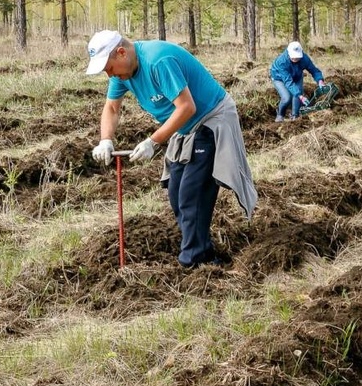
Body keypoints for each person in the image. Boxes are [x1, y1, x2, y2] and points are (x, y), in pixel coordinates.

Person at [85, 30, 257, 269]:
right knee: (176, 192)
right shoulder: (120, 74)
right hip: (184, 128)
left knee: (191, 193)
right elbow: (112, 109)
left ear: (121, 52)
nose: (108, 73)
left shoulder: (157, 61)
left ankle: (194, 261)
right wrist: (106, 139)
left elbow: (187, 106)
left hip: (210, 118)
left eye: (108, 67)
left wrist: (153, 142)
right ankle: (203, 251)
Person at [269, 41, 325, 122]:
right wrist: (300, 96)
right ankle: (280, 115)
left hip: (297, 76)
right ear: (288, 53)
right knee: (286, 97)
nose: (295, 58)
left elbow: (314, 70)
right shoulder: (282, 61)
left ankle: (295, 117)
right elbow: (288, 82)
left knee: (297, 96)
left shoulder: (304, 59)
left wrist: (320, 80)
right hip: (279, 78)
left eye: (297, 57)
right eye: (293, 57)